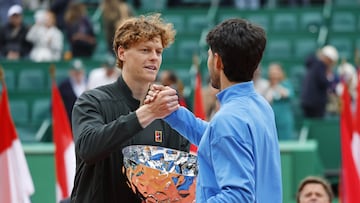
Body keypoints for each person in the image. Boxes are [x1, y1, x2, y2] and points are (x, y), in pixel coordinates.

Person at [146, 18, 282, 202]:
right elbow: (215, 139)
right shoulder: (260, 105)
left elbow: (238, 198)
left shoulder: (228, 120)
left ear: (218, 61)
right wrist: (172, 111)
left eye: (210, 55)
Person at [70, 13, 190, 203]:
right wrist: (148, 112)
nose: (154, 58)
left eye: (158, 52)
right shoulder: (92, 101)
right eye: (145, 50)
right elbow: (88, 148)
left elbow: (178, 180)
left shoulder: (169, 113)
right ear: (121, 53)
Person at [300, 45, 339, 118]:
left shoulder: (314, 65)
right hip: (315, 103)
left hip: (308, 101)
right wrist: (330, 79)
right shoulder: (320, 66)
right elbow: (323, 82)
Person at [264, 62, 295, 140]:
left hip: (283, 120)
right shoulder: (267, 86)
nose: (274, 74)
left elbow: (289, 94)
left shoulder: (286, 83)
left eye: (276, 72)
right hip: (271, 120)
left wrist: (277, 86)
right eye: (272, 72)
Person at [59, 59, 87, 125]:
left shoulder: (89, 82)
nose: (77, 74)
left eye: (79, 72)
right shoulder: (64, 86)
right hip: (69, 121)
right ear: (70, 72)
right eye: (75, 72)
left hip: (87, 121)